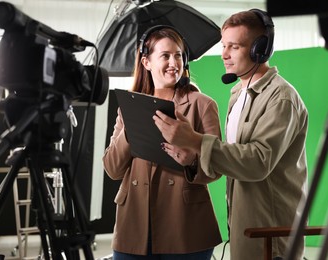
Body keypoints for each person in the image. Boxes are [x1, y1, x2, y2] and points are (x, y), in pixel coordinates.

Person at [153, 9, 308, 260]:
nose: (224, 54)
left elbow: (258, 162)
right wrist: (192, 157)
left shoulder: (281, 98)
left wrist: (194, 139)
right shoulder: (238, 93)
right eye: (224, 45)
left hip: (272, 237)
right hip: (244, 229)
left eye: (234, 47)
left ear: (261, 49)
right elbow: (231, 160)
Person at [102, 25, 222, 259]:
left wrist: (191, 161)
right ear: (146, 62)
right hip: (133, 227)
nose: (173, 63)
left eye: (178, 55)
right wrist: (132, 125)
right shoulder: (128, 107)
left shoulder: (202, 104)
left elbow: (216, 166)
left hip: (185, 227)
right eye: (165, 56)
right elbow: (112, 169)